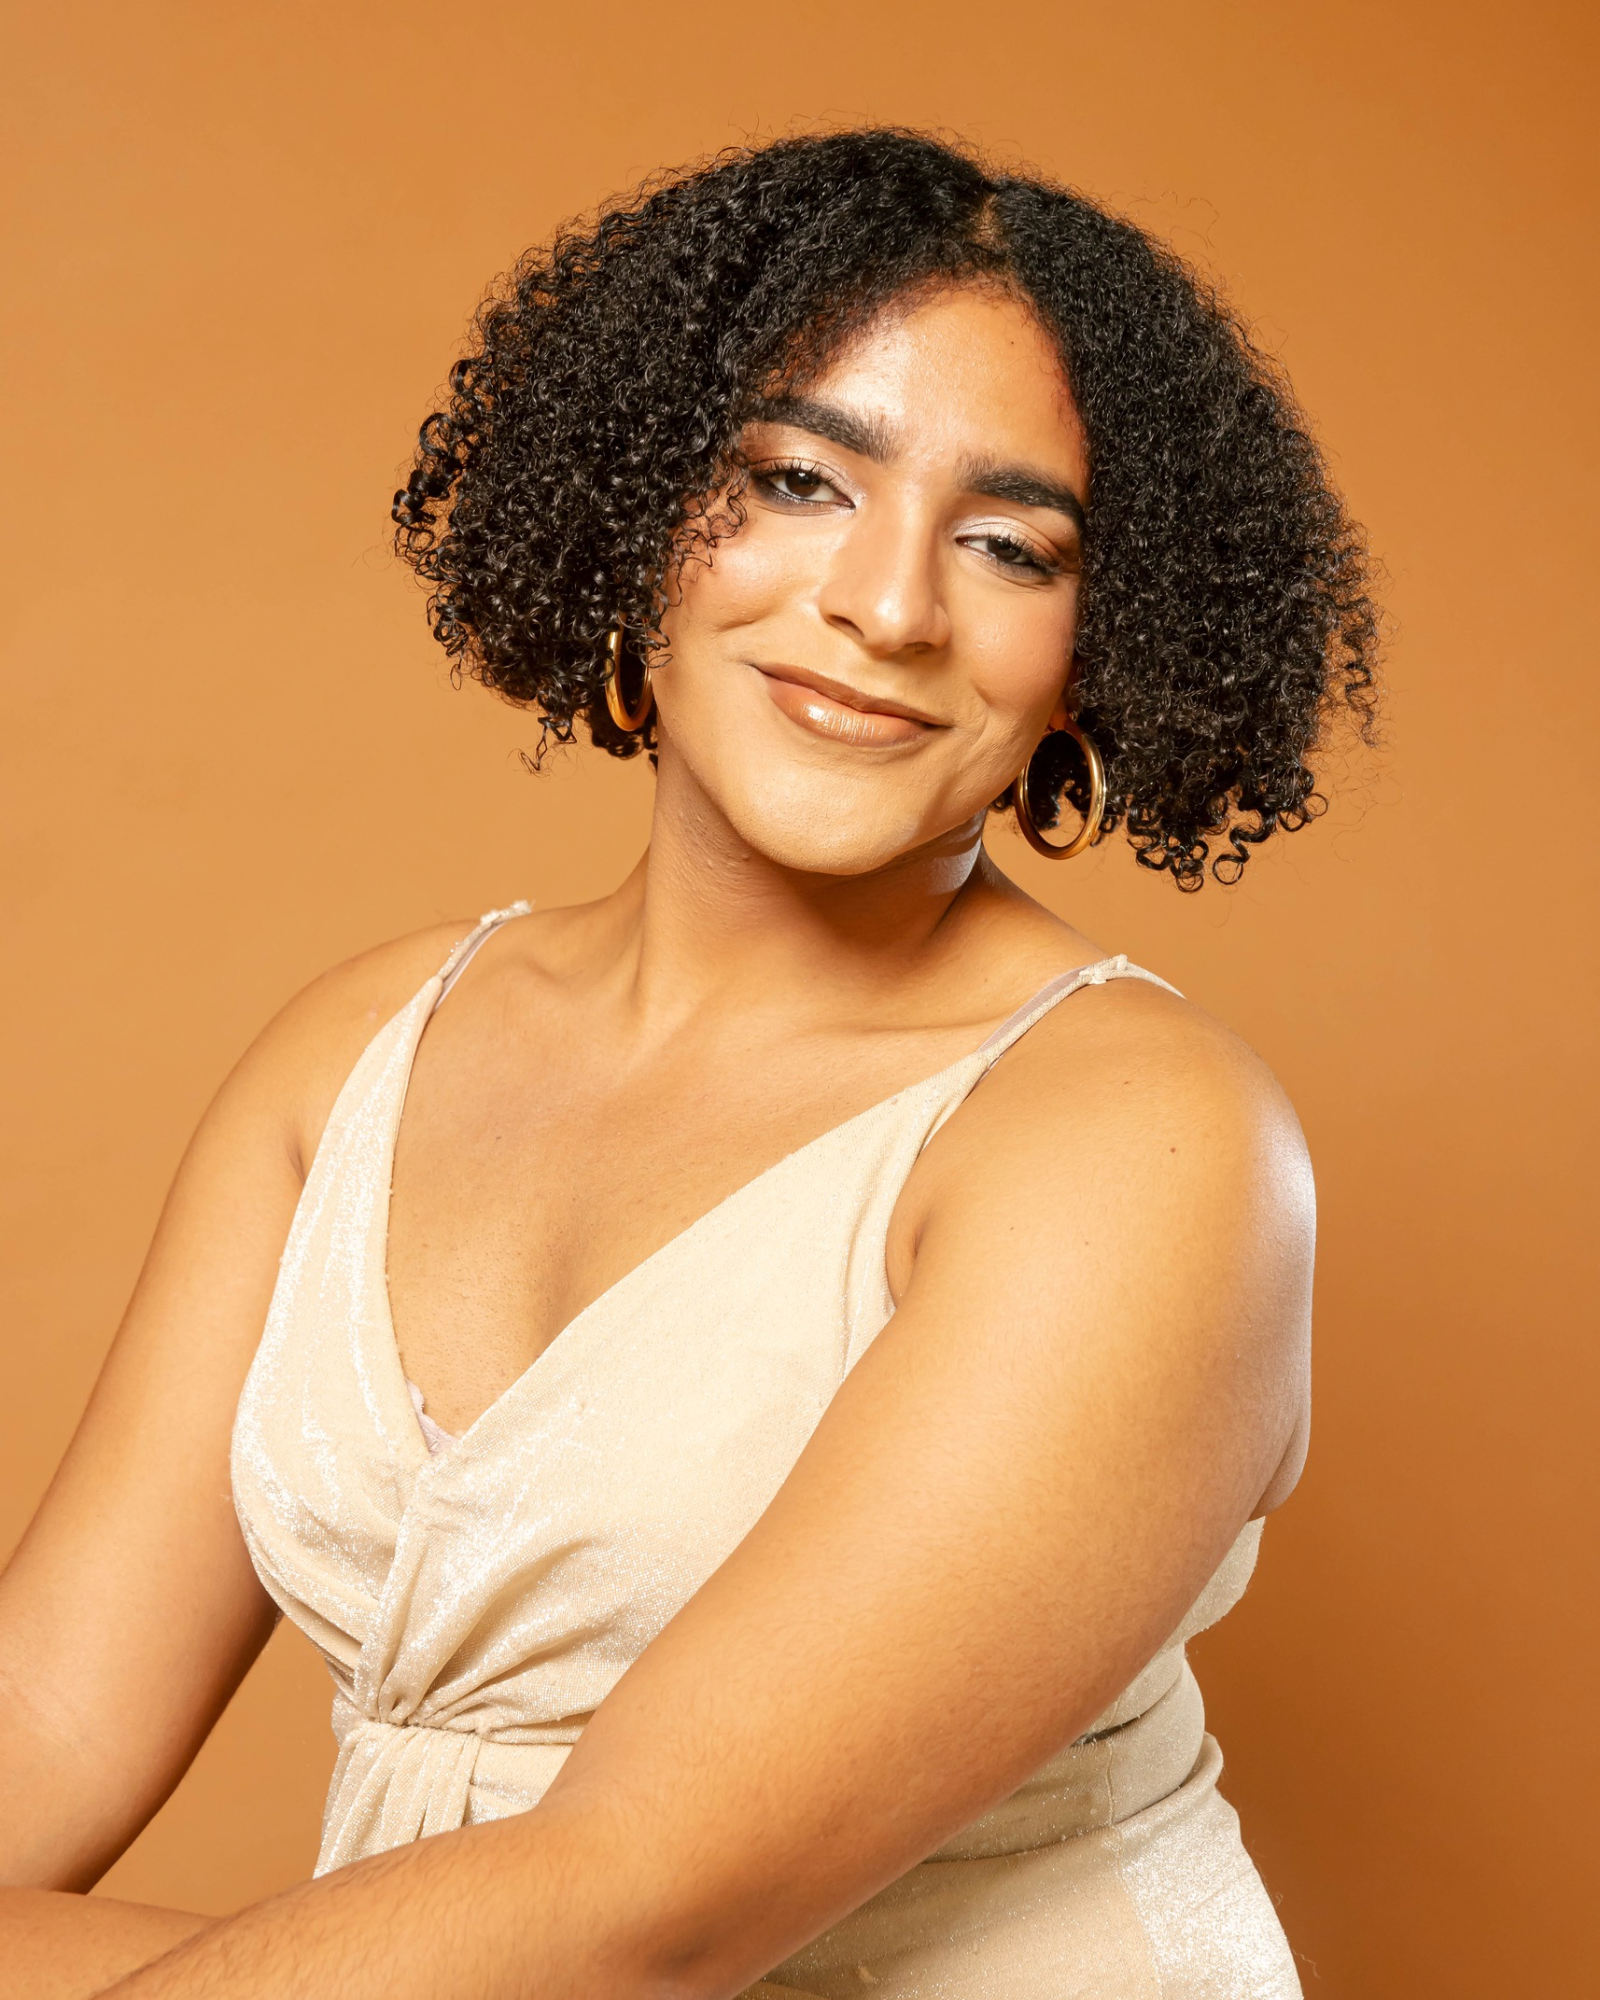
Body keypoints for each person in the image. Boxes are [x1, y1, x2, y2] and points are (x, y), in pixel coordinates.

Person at [0, 129, 1376, 1998]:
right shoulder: (360, 1053)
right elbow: (51, 1718)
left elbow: (642, 1908)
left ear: (1095, 645)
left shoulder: (1148, 1148)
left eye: (1007, 543)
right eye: (799, 479)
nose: (889, 608)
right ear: (640, 503)